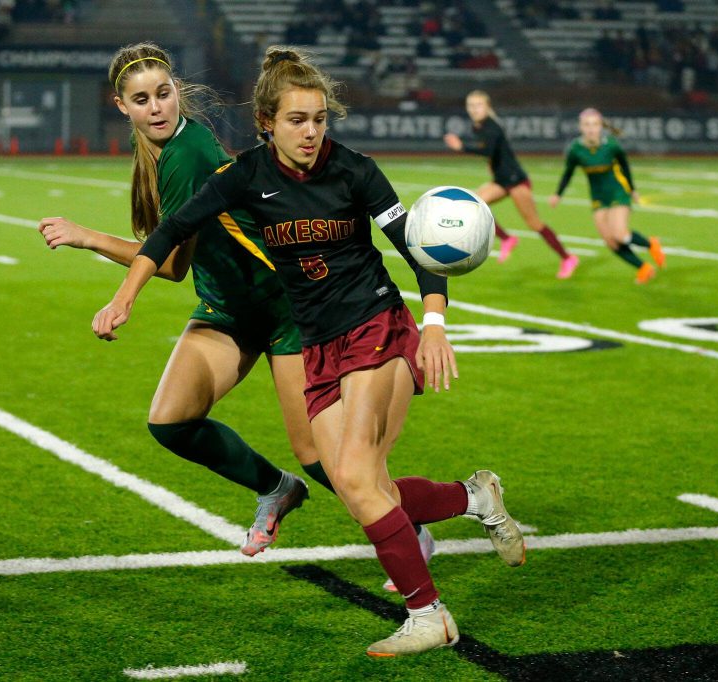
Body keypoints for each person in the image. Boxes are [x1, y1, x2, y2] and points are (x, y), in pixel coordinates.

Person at [91, 45, 526, 657]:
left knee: (352, 473)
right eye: (298, 120)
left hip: (376, 327)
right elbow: (171, 232)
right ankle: (473, 495)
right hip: (317, 345)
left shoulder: (356, 171)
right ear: (267, 122)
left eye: (320, 118)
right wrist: (125, 297)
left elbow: (414, 248)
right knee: (359, 486)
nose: (312, 131)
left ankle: (428, 615)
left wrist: (433, 323)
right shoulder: (245, 177)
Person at [39, 42, 330, 558]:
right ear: (121, 106)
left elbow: (167, 262)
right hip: (229, 309)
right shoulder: (158, 156)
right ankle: (275, 488)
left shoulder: (187, 152)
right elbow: (177, 262)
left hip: (281, 306)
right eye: (142, 99)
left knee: (317, 455)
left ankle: (416, 522)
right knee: (171, 421)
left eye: (164, 94)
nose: (156, 108)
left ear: (178, 93)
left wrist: (95, 250)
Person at [443, 90, 580, 279]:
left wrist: (461, 147)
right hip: (501, 180)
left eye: (478, 105)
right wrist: (492, 175)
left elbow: (489, 151)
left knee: (534, 224)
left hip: (516, 180)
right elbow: (495, 156)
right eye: (471, 105)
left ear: (488, 107)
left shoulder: (492, 127)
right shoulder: (479, 126)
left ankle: (568, 258)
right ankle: (507, 238)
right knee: (473, 204)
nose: (474, 109)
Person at [548, 108, 665, 284]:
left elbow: (625, 167)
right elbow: (568, 173)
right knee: (611, 242)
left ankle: (651, 243)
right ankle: (644, 268)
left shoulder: (611, 145)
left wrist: (632, 189)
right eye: (587, 124)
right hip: (598, 197)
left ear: (601, 126)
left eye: (595, 124)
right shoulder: (576, 150)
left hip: (618, 193)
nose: (591, 128)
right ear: (581, 127)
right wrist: (558, 194)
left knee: (620, 234)